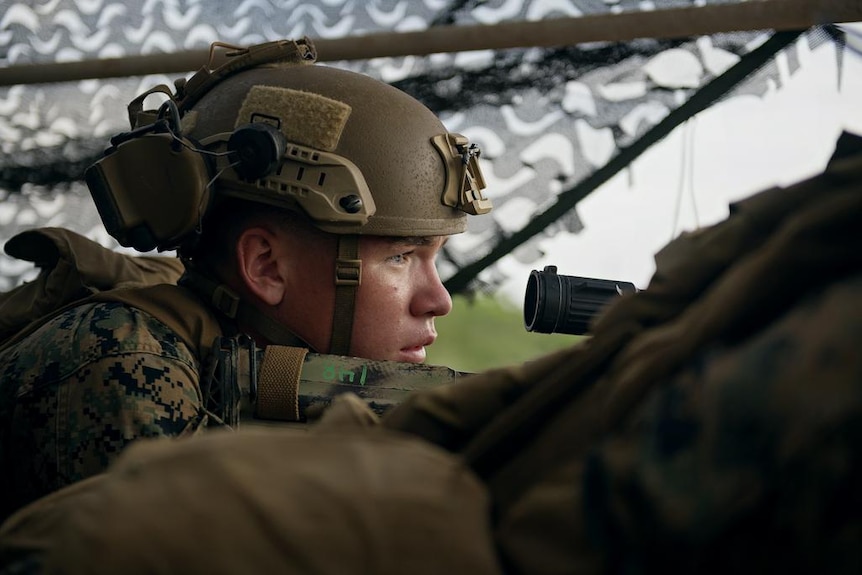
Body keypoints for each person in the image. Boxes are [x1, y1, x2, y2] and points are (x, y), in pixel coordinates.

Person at [0, 37, 492, 519]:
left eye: (434, 258)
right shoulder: (125, 360)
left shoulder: (258, 366)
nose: (438, 300)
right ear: (266, 267)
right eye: (401, 258)